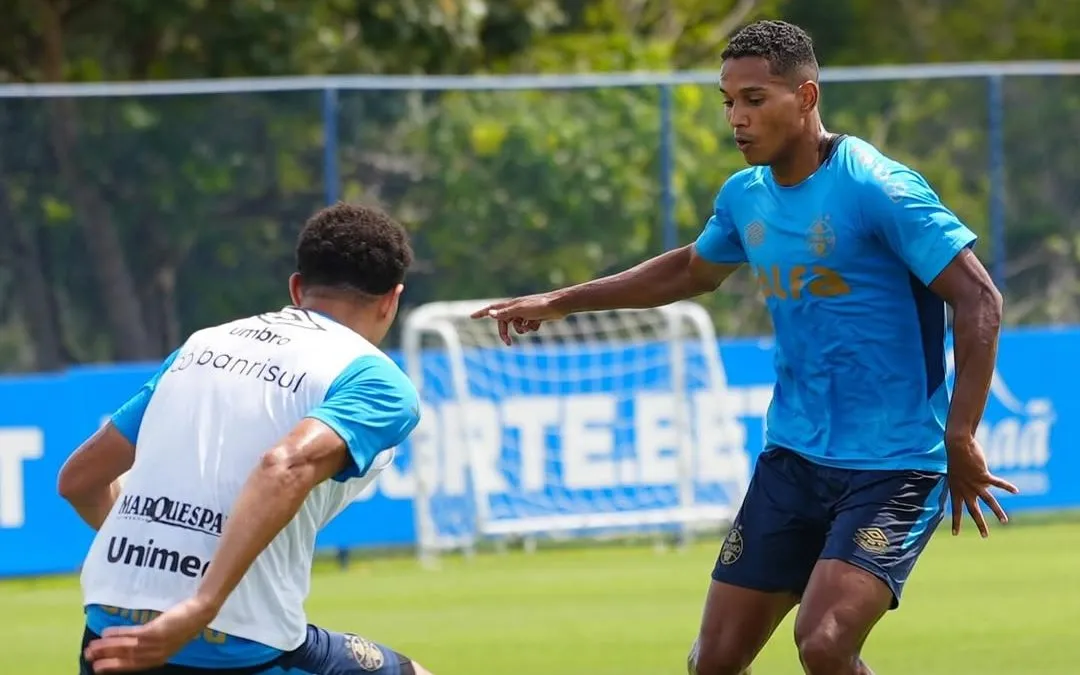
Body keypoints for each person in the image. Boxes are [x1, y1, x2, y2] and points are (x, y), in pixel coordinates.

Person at [471, 19, 1019, 675]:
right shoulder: (745, 198)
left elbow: (979, 299)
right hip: (792, 457)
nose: (737, 117)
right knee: (714, 661)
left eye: (754, 100)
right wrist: (561, 302)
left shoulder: (879, 188)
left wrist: (959, 437)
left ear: (807, 98)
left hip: (895, 464)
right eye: (728, 101)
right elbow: (689, 271)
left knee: (824, 644)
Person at [58, 203, 434, 675]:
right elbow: (284, 467)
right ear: (391, 300)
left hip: (109, 631)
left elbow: (78, 480)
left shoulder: (202, 345)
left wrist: (164, 564)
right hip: (235, 642)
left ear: (296, 288)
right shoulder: (376, 380)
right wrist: (199, 604)